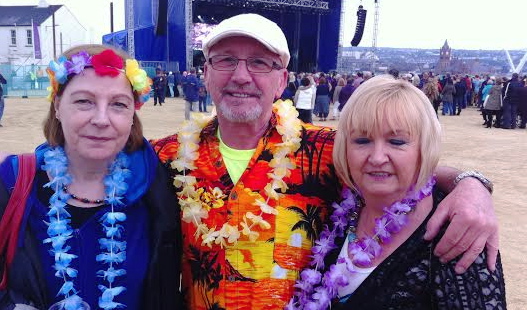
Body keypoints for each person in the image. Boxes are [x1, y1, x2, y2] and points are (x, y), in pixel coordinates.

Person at [151, 13, 498, 309]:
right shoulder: (165, 158)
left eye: (259, 62)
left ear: (282, 80)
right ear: (206, 73)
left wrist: (471, 184)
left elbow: (400, 168)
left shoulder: (324, 149)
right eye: (226, 60)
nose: (241, 76)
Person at [289, 75, 506, 309]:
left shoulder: (457, 236)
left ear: (424, 148)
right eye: (362, 140)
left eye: (397, 142)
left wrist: (473, 184)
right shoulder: (335, 203)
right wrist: (468, 181)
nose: (377, 157)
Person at [0, 44, 182, 309]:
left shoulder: (159, 188)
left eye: (118, 104)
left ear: (133, 114)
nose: (101, 119)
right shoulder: (12, 183)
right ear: (58, 106)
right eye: (84, 101)